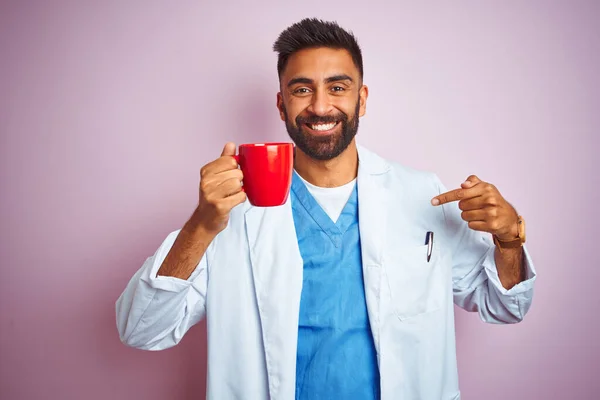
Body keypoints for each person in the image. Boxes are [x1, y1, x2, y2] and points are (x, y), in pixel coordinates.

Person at [116, 18, 536, 400]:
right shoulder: (230, 213)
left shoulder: (421, 194)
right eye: (302, 89)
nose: (320, 106)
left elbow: (505, 306)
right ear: (281, 104)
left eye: (337, 87)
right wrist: (201, 227)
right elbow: (142, 329)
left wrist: (507, 239)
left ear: (362, 99)